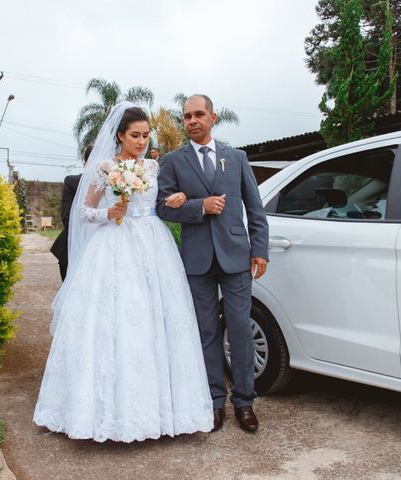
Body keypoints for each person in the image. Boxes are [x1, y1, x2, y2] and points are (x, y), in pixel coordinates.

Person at [33, 102, 213, 442]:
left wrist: (173, 200)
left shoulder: (154, 167)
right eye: (135, 135)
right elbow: (83, 212)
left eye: (146, 135)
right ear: (120, 135)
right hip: (114, 244)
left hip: (153, 244)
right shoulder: (104, 168)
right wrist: (108, 212)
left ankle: (164, 411)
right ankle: (97, 413)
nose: (142, 141)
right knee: (113, 321)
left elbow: (158, 204)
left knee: (156, 320)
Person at [156, 94, 269, 433]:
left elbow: (255, 208)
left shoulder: (236, 158)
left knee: (240, 331)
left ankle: (245, 403)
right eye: (187, 116)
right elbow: (162, 208)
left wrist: (259, 249)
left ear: (213, 118)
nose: (192, 120)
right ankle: (214, 403)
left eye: (198, 114)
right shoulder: (173, 162)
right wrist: (197, 206)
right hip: (198, 260)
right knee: (206, 332)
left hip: (236, 257)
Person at [50, 143, 94, 281]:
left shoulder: (116, 185)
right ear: (86, 161)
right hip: (71, 248)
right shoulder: (73, 182)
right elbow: (67, 217)